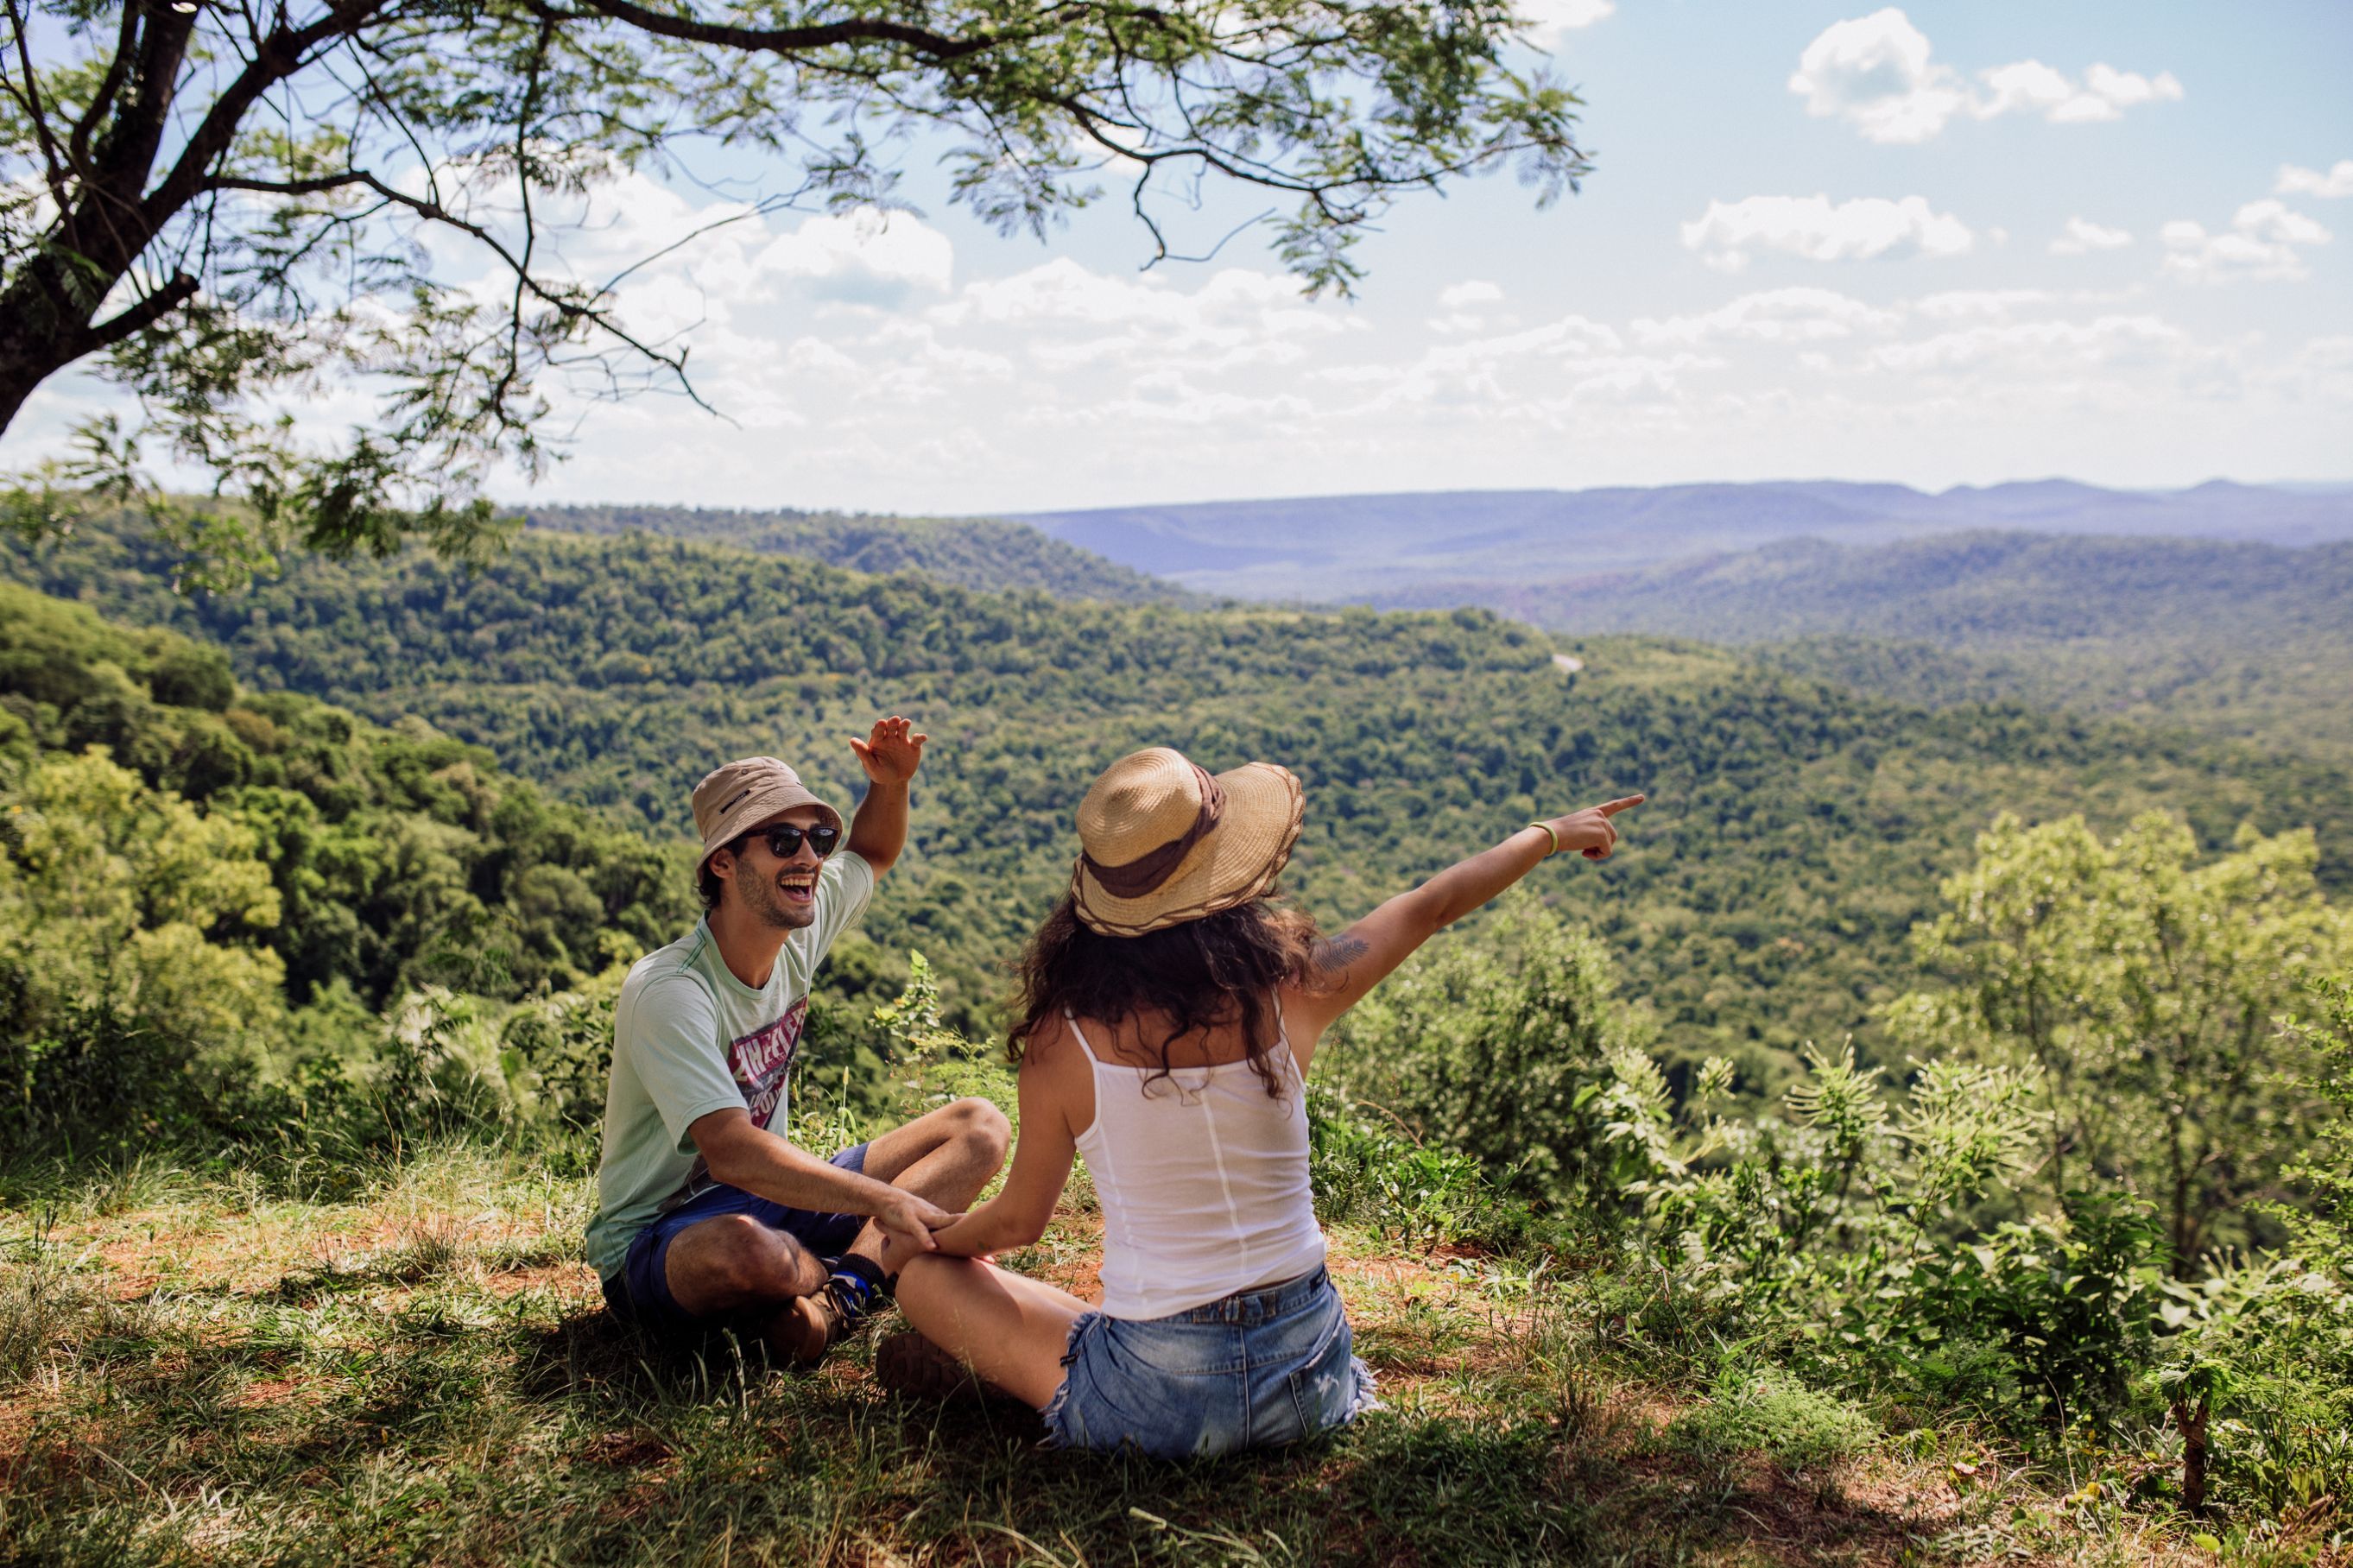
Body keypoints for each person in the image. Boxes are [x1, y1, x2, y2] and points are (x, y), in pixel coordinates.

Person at [875, 745, 1641, 1457]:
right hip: (1310, 1380)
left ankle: (1005, 1384)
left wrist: (929, 1242)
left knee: (929, 1282)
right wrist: (1548, 834)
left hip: (1158, 1404)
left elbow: (1018, 1222)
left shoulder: (1059, 1045)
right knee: (1064, 1313)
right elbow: (1430, 904)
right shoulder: (1290, 987)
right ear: (1225, 877)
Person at [585, 720, 1010, 1363]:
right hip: (664, 1236)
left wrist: (890, 786)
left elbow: (870, 853)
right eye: (784, 840)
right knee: (746, 1251)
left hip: (774, 1197)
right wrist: (890, 1201)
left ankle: (841, 1296)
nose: (809, 858)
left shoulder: (796, 928)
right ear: (723, 863)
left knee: (978, 1127)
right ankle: (864, 1266)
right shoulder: (669, 991)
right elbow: (729, 1152)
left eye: (816, 838)